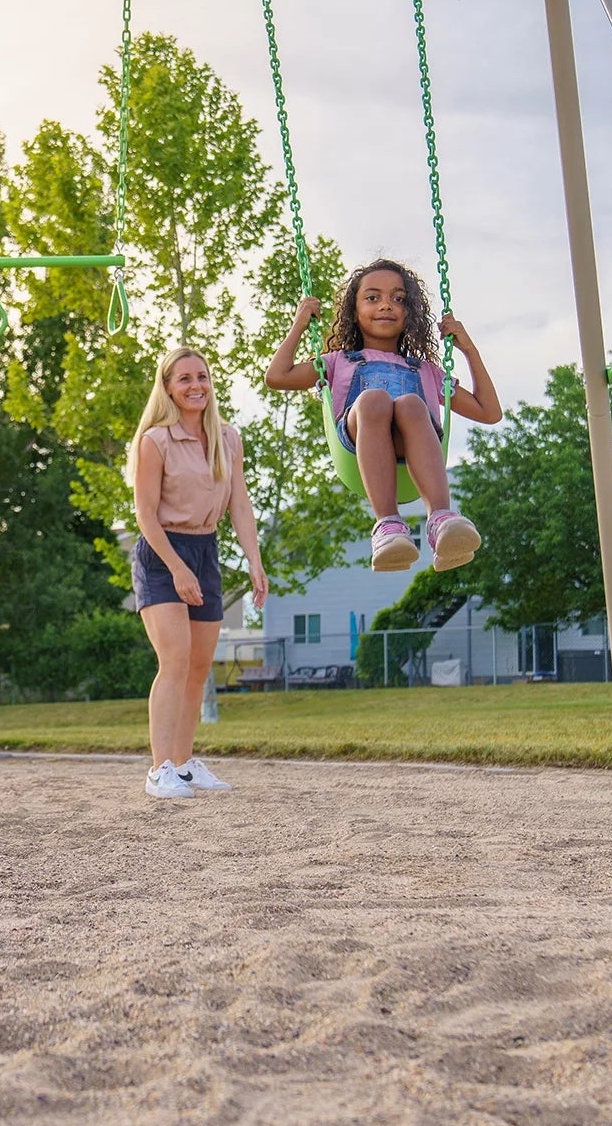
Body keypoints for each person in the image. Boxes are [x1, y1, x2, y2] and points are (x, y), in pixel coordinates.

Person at [265, 258, 502, 573]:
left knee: (411, 405)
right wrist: (299, 323)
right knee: (373, 400)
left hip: (413, 443)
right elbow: (278, 376)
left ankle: (441, 521)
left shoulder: (427, 371)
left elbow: (490, 412)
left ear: (410, 312)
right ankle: (388, 526)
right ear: (354, 309)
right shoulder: (338, 362)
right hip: (359, 437)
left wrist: (469, 350)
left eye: (398, 298)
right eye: (373, 297)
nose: (386, 305)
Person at [130, 347, 265, 802]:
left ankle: (184, 766)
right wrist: (176, 567)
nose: (196, 386)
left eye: (202, 377)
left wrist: (255, 560)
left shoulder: (228, 438)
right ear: (167, 386)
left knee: (200, 667)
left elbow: (239, 504)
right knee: (175, 661)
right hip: (162, 551)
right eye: (184, 378)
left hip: (206, 549)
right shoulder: (155, 441)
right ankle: (159, 769)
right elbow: (145, 515)